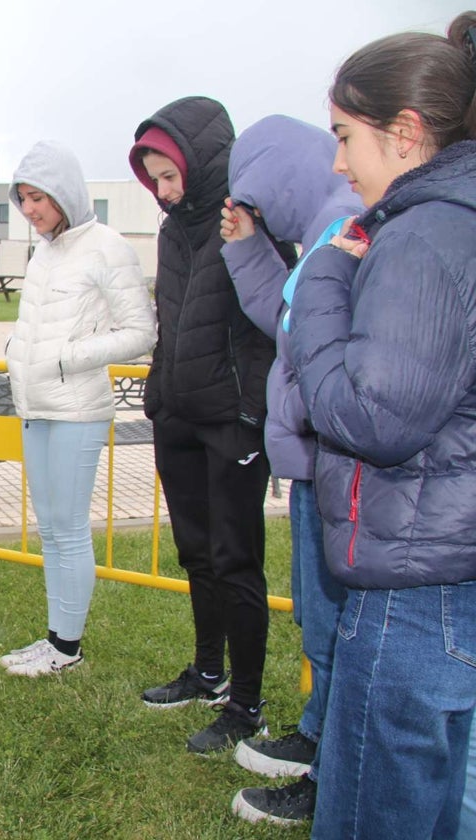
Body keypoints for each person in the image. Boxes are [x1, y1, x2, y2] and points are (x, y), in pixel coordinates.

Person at [285, 15, 476, 838]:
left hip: (410, 589)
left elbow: (374, 415)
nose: (336, 161)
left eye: (344, 136)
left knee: (373, 812)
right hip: (445, 565)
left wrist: (325, 273)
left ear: (404, 134)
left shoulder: (424, 235)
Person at [216, 115, 361, 826]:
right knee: (322, 618)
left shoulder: (346, 222)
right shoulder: (327, 225)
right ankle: (317, 735)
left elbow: (305, 332)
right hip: (313, 456)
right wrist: (248, 251)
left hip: (329, 453)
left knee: (334, 623)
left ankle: (329, 768)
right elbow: (289, 319)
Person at [127, 96, 277, 754]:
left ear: (202, 158)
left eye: (169, 175)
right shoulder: (172, 231)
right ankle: (207, 672)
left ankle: (245, 705)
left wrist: (249, 410)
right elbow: (169, 318)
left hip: (233, 423)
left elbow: (271, 318)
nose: (162, 191)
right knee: (197, 555)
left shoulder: (248, 219)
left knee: (235, 560)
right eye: (153, 179)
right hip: (179, 416)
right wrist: (160, 394)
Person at [0, 140, 156, 677]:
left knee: (67, 529)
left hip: (78, 409)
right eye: (23, 198)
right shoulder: (43, 250)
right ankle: (55, 639)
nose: (30, 209)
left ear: (63, 191)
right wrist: (17, 353)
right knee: (50, 528)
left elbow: (141, 331)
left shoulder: (108, 246)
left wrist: (69, 358)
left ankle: (67, 648)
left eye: (38, 197)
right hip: (36, 404)